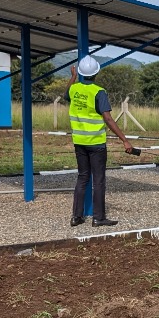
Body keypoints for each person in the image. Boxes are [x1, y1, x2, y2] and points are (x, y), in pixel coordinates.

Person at [65, 55, 133, 227]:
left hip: (79, 142)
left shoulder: (74, 89)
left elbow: (66, 94)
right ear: (96, 73)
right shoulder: (99, 92)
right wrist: (124, 140)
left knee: (82, 178)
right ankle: (98, 218)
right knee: (98, 180)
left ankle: (76, 217)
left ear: (80, 73)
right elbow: (108, 118)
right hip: (96, 143)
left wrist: (73, 77)